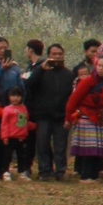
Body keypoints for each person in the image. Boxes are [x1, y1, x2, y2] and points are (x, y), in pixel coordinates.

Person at [65, 51, 103, 180]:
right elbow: (73, 101)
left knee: (97, 150)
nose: (100, 69)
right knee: (88, 150)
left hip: (101, 120)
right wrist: (68, 118)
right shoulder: (87, 82)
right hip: (86, 119)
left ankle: (94, 175)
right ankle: (85, 176)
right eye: (99, 65)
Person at [25, 43, 73, 180]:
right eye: (54, 54)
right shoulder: (41, 71)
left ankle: (60, 171)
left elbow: (71, 97)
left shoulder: (68, 75)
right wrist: (41, 69)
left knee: (60, 146)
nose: (57, 57)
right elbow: (29, 85)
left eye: (60, 54)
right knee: (42, 144)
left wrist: (69, 116)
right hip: (43, 116)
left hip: (61, 116)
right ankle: (44, 171)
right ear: (48, 56)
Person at [1, 87, 33, 180]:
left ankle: (22, 172)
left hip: (22, 136)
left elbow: (25, 122)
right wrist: (5, 136)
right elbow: (4, 124)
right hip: (10, 137)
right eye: (13, 95)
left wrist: (34, 126)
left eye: (18, 96)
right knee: (7, 155)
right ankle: (5, 171)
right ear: (9, 97)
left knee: (22, 156)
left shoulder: (23, 108)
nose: (15, 98)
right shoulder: (7, 109)